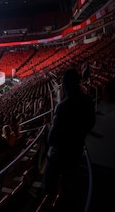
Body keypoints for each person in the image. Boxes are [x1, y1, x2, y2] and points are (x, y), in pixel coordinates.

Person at [43, 68, 95, 210]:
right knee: (69, 180)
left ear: (65, 85)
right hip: (76, 150)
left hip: (61, 154)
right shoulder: (88, 102)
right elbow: (90, 123)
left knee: (49, 177)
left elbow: (51, 138)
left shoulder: (63, 106)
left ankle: (48, 198)